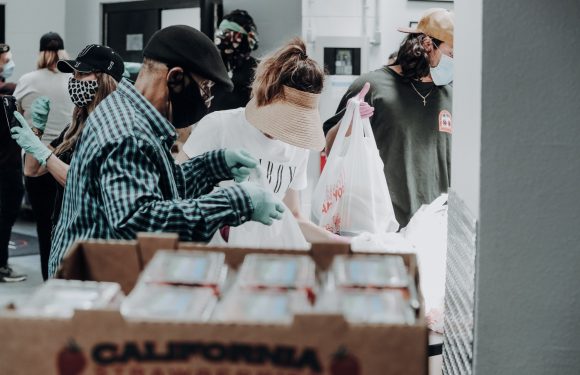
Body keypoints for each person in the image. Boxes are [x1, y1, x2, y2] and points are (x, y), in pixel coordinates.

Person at [48, 25, 284, 277]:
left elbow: (157, 188)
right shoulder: (129, 133)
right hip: (91, 288)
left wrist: (213, 165)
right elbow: (142, 223)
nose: (206, 100)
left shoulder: (130, 111)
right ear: (175, 78)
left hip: (99, 273)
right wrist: (237, 202)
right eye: (204, 88)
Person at [180, 37, 345, 243]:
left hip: (266, 258)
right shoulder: (219, 127)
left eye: (295, 121)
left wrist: (346, 244)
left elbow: (293, 217)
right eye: (283, 116)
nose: (284, 128)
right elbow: (178, 192)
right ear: (265, 96)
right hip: (216, 256)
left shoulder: (296, 146)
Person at [324, 8, 454, 227]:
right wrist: (351, 120)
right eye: (452, 54)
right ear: (428, 45)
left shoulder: (451, 96)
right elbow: (330, 147)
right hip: (380, 226)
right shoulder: (372, 87)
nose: (456, 62)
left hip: (436, 227)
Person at [10, 44, 122, 280]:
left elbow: (80, 181)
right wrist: (37, 130)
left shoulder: (113, 129)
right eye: (74, 75)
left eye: (82, 74)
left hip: (93, 237)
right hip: (66, 230)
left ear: (104, 79)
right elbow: (32, 170)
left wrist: (42, 151)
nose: (74, 80)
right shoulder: (76, 126)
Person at [11, 32, 73, 280]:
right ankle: (67, 276)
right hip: (66, 159)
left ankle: (49, 279)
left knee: (44, 226)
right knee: (66, 223)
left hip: (35, 159)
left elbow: (13, 115)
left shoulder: (27, 81)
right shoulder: (72, 79)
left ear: (40, 52)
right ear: (63, 53)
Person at [0, 43, 26, 282]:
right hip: (6, 167)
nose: (9, 63)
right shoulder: (8, 93)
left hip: (9, 165)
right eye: (6, 59)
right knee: (4, 215)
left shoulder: (9, 91)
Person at [211, 9, 259, 112]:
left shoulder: (258, 68)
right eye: (221, 32)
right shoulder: (212, 65)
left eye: (227, 32)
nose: (221, 36)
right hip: (214, 123)